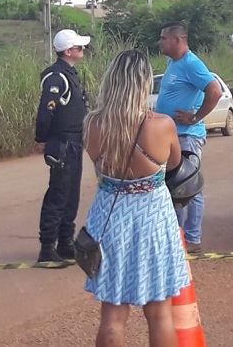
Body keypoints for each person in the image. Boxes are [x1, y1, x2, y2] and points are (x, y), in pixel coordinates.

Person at [82, 50, 189, 346]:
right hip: (153, 219)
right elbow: (175, 164)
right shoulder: (161, 124)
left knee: (112, 316)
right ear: (144, 83)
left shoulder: (92, 124)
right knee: (160, 314)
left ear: (111, 80)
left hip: (108, 219)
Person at [156, 21, 222, 254]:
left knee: (189, 187)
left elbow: (215, 91)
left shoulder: (191, 64)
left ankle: (192, 238)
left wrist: (195, 118)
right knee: (173, 187)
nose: (160, 42)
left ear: (178, 40)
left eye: (163, 38)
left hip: (187, 136)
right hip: (171, 136)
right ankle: (177, 237)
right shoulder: (172, 63)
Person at [34, 29, 91, 263]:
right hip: (63, 143)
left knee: (71, 195)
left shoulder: (70, 74)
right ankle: (48, 247)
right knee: (58, 195)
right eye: (78, 47)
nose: (82, 49)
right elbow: (45, 112)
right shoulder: (57, 77)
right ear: (68, 51)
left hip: (74, 142)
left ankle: (66, 242)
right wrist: (41, 139)